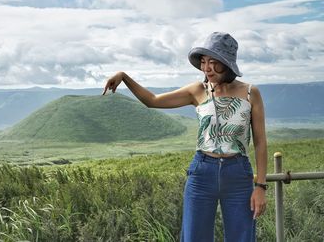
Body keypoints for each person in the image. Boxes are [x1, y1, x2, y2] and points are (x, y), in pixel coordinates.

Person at [102, 32, 268, 242]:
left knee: (242, 238)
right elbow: (152, 100)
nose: (207, 68)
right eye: (203, 62)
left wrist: (260, 187)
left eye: (214, 62)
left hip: (238, 174)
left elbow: (261, 143)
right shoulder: (197, 90)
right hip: (202, 172)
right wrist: (124, 77)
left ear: (227, 64)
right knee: (194, 238)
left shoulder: (251, 93)